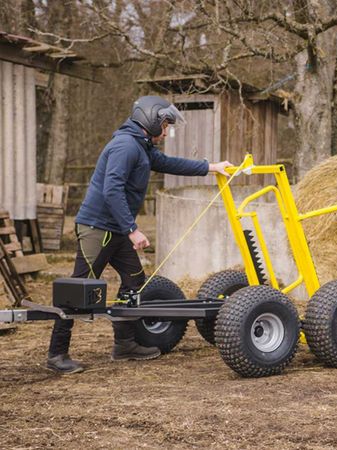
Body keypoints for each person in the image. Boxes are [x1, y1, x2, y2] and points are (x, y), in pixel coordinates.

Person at [46, 95, 232, 374]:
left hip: (116, 228)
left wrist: (210, 167)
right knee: (79, 288)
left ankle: (125, 345)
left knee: (134, 281)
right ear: (151, 120)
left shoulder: (141, 146)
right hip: (98, 227)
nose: (167, 131)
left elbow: (170, 164)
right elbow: (112, 190)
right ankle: (57, 354)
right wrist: (132, 229)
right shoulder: (125, 146)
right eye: (166, 125)